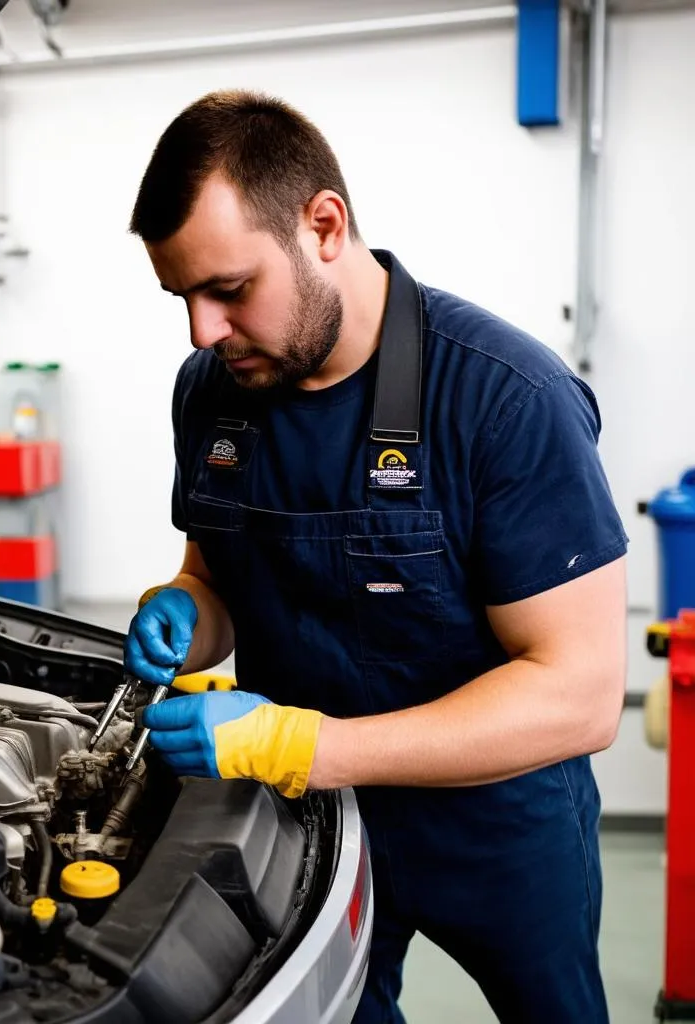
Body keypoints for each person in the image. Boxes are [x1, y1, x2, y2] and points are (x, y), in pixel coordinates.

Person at [121, 89, 628, 1023]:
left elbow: (581, 693)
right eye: (181, 298)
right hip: (303, 822)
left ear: (323, 226)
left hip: (497, 826)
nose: (202, 331)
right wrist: (189, 612)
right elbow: (215, 574)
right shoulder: (212, 393)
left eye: (229, 289)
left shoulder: (507, 400)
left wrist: (310, 744)